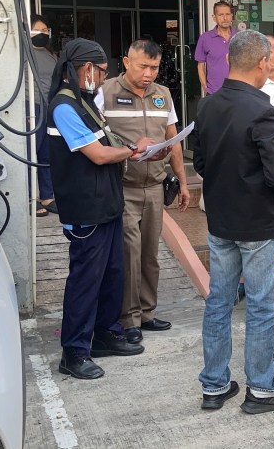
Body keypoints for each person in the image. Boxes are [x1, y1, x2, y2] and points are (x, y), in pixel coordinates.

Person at [193, 30, 274, 413]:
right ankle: (262, 389)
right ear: (262, 62)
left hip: (220, 222)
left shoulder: (207, 106)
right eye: (270, 61)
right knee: (263, 306)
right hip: (259, 224)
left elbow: (202, 164)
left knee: (219, 302)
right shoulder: (264, 112)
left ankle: (214, 385)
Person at [47, 39, 163, 380]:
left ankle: (105, 335)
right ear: (85, 68)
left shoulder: (86, 104)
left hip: (107, 204)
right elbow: (97, 155)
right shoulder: (64, 106)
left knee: (113, 273)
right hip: (86, 209)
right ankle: (74, 351)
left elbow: (108, 145)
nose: (102, 77)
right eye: (99, 70)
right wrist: (131, 152)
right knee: (86, 280)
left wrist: (135, 150)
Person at [97, 39, 191, 345]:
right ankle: (129, 317)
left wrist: (183, 181)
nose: (149, 73)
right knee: (129, 253)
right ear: (126, 62)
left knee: (150, 254)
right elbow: (94, 139)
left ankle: (147, 313)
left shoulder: (162, 95)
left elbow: (173, 140)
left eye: (154, 67)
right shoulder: (106, 92)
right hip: (123, 186)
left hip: (154, 186)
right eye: (143, 66)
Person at [30, 14, 58, 217]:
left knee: (47, 153)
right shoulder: (24, 51)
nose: (43, 33)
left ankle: (47, 196)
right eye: (38, 29)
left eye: (46, 30)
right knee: (32, 152)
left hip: (49, 107)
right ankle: (31, 198)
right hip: (30, 107)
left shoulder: (51, 54)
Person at [194, 1, 237, 96]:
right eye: (221, 15)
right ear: (214, 18)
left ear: (231, 16)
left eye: (228, 14)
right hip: (214, 92)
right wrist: (205, 88)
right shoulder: (205, 38)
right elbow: (200, 66)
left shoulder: (240, 36)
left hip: (237, 92)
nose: (225, 18)